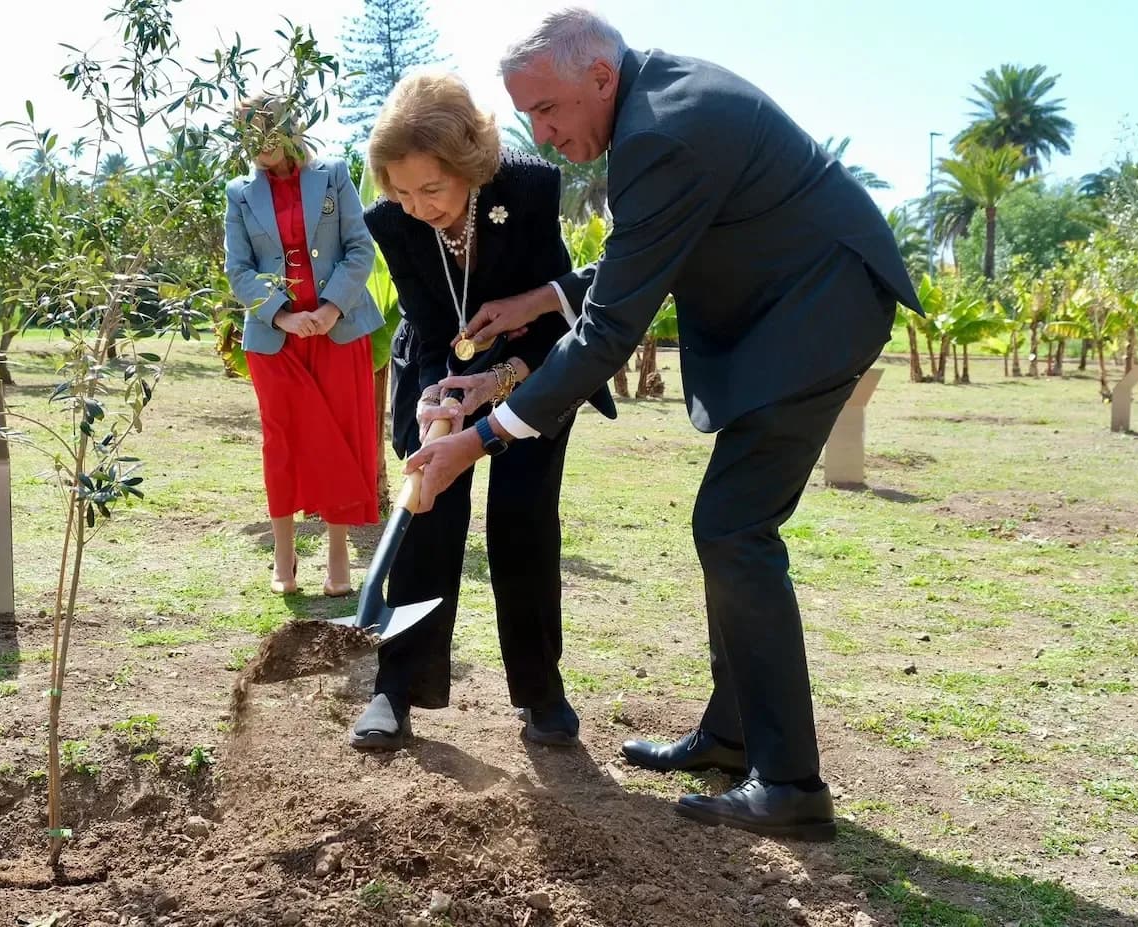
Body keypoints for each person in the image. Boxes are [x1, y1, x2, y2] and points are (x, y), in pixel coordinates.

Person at [403, 9, 922, 841]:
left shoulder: (660, 133)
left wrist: (482, 437)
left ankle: (790, 783)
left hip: (818, 313)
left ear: (600, 78)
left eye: (547, 110)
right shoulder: (656, 108)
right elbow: (643, 250)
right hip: (791, 313)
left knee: (733, 528)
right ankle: (736, 732)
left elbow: (609, 333)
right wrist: (540, 299)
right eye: (528, 114)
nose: (540, 132)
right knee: (728, 527)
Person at [349, 72, 616, 751]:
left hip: (535, 368)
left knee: (522, 519)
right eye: (402, 191)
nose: (417, 206)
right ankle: (395, 687)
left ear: (468, 161)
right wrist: (439, 396)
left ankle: (541, 693)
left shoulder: (527, 189)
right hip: (439, 366)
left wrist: (500, 378)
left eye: (431, 188)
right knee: (427, 513)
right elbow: (431, 323)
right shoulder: (393, 222)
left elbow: (559, 313)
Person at [223, 94, 385, 596]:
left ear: (288, 129)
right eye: (245, 135)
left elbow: (361, 247)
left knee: (339, 434)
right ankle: (283, 553)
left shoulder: (333, 174)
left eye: (262, 132)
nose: (255, 146)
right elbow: (239, 269)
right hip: (276, 340)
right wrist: (285, 316)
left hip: (338, 332)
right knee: (283, 440)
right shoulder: (239, 193)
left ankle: (338, 555)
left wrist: (331, 307)